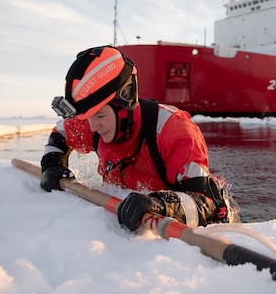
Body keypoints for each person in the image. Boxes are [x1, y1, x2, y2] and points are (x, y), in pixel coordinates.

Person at [40, 45, 238, 231]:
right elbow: (61, 133)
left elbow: (208, 205)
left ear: (124, 101)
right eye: (88, 117)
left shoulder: (174, 132)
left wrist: (159, 204)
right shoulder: (95, 123)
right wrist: (52, 164)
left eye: (100, 116)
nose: (93, 126)